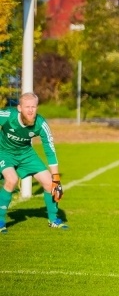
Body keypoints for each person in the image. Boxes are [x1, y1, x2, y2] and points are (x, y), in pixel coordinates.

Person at [0, 92, 67, 232]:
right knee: (11, 179)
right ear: (19, 108)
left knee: (50, 183)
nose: (30, 110)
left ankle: (53, 220)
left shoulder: (41, 124)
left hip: (26, 154)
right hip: (4, 152)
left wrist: (56, 178)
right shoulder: (8, 116)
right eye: (27, 107)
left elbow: (50, 150)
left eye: (33, 107)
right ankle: (0, 221)